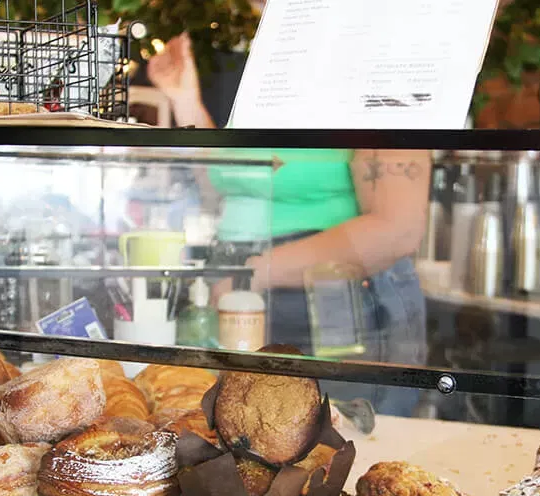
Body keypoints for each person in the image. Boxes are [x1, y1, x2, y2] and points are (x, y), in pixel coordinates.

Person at [147, 34, 430, 417]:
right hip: (241, 293)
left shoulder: (381, 70)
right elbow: (229, 184)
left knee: (335, 447)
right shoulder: (278, 78)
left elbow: (396, 230)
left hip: (329, 302)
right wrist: (186, 101)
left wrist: (252, 273)